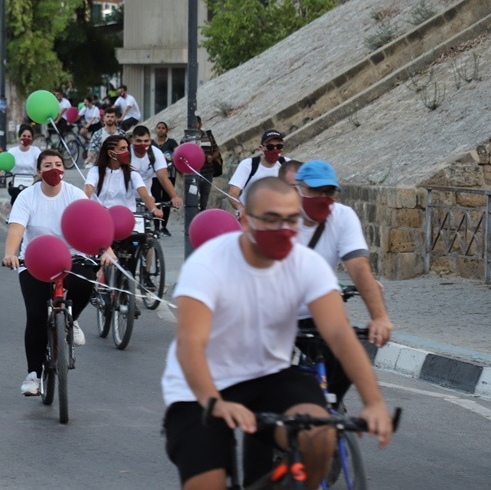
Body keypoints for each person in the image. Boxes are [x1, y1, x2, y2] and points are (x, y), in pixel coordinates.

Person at [161, 177, 394, 490]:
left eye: (291, 219)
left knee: (319, 433)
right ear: (245, 219)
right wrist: (213, 402)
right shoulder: (208, 263)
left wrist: (374, 402)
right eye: (271, 219)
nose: (283, 229)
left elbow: (339, 334)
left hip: (268, 374)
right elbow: (191, 342)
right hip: (201, 386)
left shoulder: (307, 264)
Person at [3, 149, 111, 394]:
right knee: (36, 315)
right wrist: (10, 253)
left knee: (85, 284)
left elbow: (94, 224)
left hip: (71, 257)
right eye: (48, 165)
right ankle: (33, 375)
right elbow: (16, 229)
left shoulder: (75, 194)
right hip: (36, 259)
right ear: (38, 171)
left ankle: (72, 320)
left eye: (58, 164)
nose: (54, 169)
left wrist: (107, 250)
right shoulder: (27, 197)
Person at [292, 160, 395, 402]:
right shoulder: (279, 216)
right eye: (314, 191)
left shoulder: (342, 216)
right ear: (298, 189)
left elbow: (358, 266)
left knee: (347, 360)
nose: (322, 198)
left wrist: (380, 317)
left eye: (329, 192)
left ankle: (328, 410)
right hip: (275, 310)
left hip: (318, 309)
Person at [84, 135, 162, 216]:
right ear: (111, 153)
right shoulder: (95, 171)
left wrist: (154, 209)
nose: (127, 152)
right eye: (122, 149)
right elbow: (88, 191)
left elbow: (145, 195)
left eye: (127, 148)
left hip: (125, 217)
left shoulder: (133, 174)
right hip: (101, 216)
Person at [228, 129, 288, 218]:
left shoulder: (286, 164)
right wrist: (241, 208)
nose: (275, 150)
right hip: (251, 218)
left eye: (279, 146)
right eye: (270, 147)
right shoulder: (248, 165)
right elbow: (233, 193)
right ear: (261, 148)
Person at [129, 125, 184, 215]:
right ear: (132, 141)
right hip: (125, 198)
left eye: (146, 141)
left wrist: (174, 196)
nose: (142, 144)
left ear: (150, 141)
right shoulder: (126, 152)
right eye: (138, 141)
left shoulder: (156, 153)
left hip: (146, 198)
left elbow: (163, 178)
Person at [152, 122, 180, 235]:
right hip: (154, 175)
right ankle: (156, 226)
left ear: (166, 130)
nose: (160, 130)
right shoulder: (152, 143)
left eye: (163, 128)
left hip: (169, 175)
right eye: (159, 128)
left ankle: (164, 226)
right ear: (156, 129)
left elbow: (178, 153)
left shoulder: (171, 142)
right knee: (156, 200)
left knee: (167, 200)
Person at [5, 124, 40, 205]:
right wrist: (0, 172)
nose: (26, 138)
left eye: (29, 136)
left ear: (32, 138)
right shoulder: (12, 151)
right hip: (16, 184)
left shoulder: (36, 151)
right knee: (15, 200)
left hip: (32, 182)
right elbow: (4, 165)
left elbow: (42, 163)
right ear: (19, 137)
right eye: (24, 136)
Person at [193, 116, 222, 211]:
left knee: (205, 195)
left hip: (208, 171)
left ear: (200, 124)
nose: (194, 125)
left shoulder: (208, 135)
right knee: (194, 196)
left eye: (196, 123)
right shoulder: (186, 139)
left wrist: (212, 157)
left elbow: (216, 150)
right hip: (193, 173)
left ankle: (202, 213)